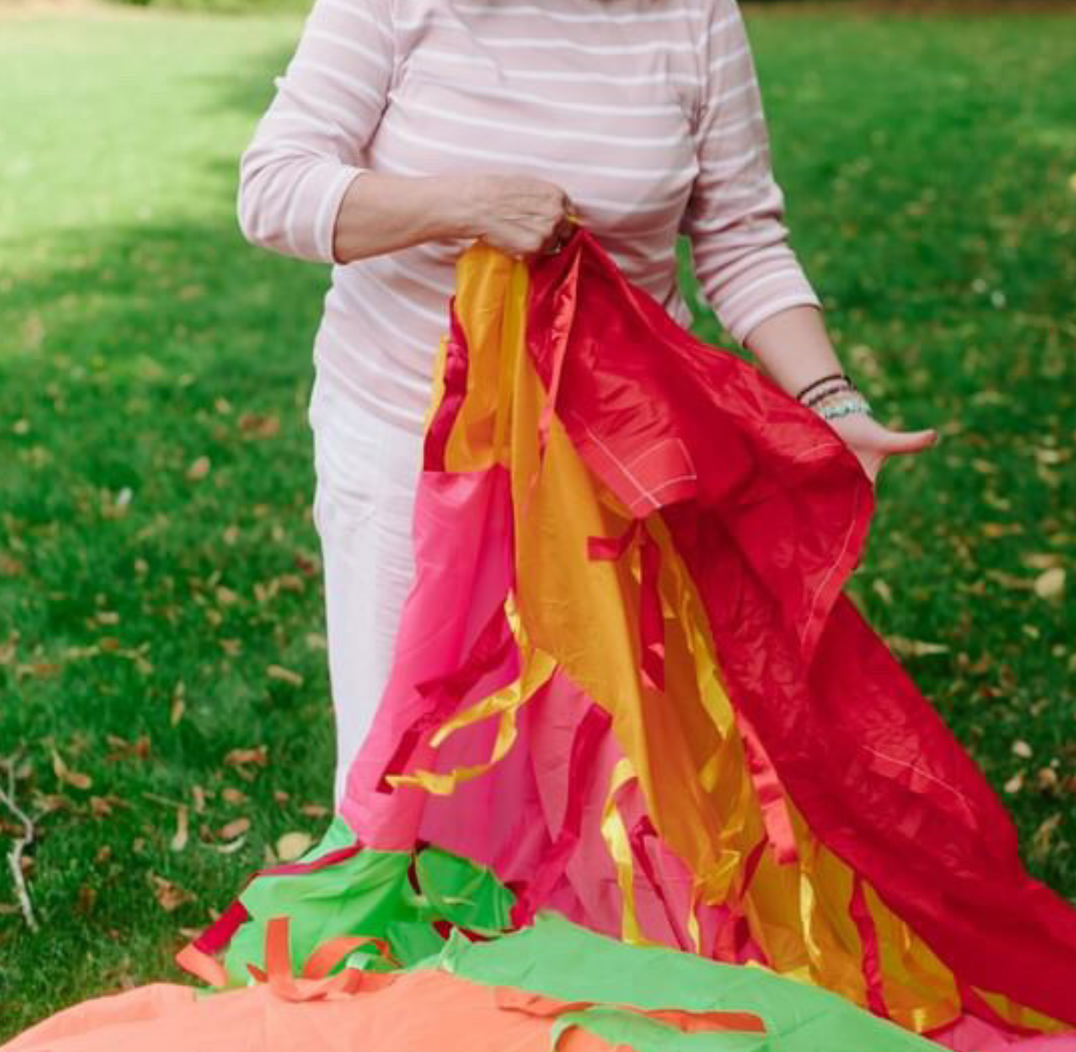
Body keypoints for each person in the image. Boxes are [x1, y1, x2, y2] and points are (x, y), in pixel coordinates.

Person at [237, 0, 937, 799]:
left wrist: (831, 401)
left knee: (608, 771)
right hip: (413, 446)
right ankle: (412, 918)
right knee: (413, 767)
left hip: (617, 456)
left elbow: (740, 234)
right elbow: (273, 189)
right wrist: (463, 204)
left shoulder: (692, 16)